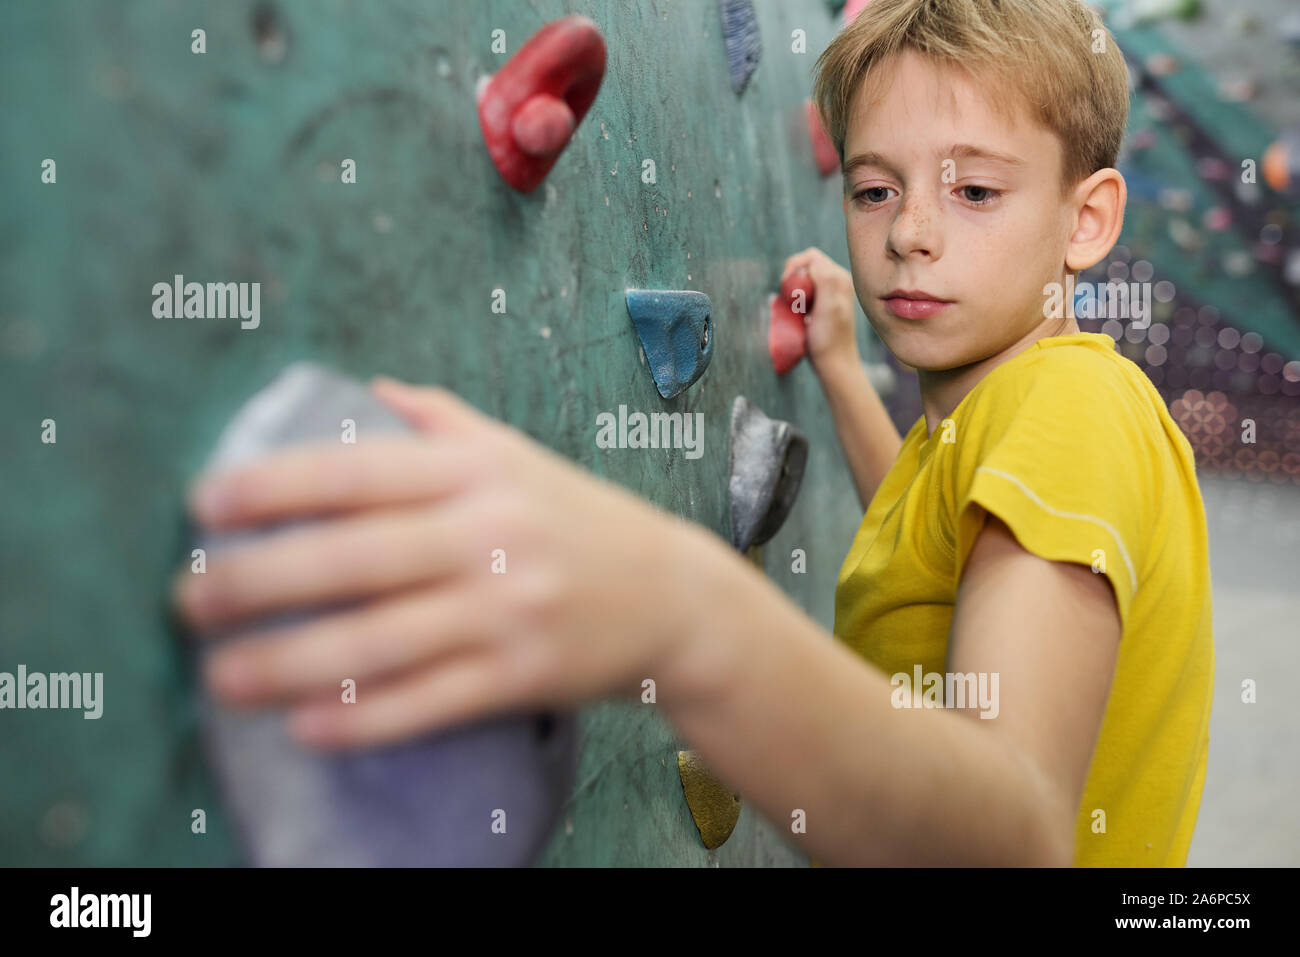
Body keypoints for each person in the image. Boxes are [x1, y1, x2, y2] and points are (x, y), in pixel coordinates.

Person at [173, 0, 1213, 866]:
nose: (910, 232)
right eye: (873, 188)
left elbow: (1021, 833)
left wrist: (685, 617)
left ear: (1086, 220)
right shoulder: (1005, 420)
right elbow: (940, 542)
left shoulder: (1068, 411)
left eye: (974, 190)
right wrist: (845, 376)